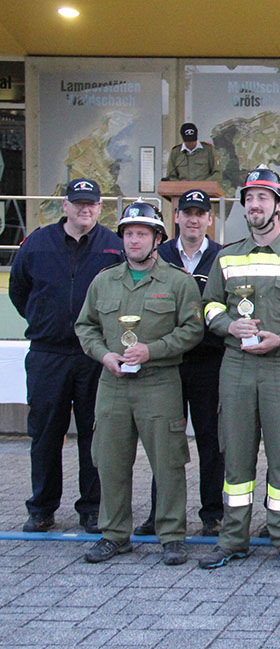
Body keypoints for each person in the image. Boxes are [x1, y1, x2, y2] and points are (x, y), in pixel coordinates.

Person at [198, 166, 280, 573]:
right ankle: (232, 538)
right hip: (236, 366)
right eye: (249, 198)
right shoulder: (226, 256)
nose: (254, 205)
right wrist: (228, 326)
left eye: (263, 198)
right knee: (235, 458)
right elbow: (209, 305)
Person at [75, 201, 203, 565]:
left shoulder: (178, 282)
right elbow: (85, 326)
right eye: (129, 233)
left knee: (168, 463)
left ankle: (172, 535)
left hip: (159, 383)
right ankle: (114, 534)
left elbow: (193, 330)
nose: (134, 240)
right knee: (110, 461)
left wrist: (152, 350)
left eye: (142, 234)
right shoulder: (103, 281)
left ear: (157, 238)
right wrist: (104, 355)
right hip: (113, 383)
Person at [10, 178, 122, 535]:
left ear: (100, 207)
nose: (85, 209)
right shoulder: (37, 244)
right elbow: (19, 292)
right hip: (49, 354)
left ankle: (92, 508)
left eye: (91, 204)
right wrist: (45, 320)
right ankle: (42, 508)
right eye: (78, 203)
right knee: (45, 433)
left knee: (95, 434)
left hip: (95, 355)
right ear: (65, 206)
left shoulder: (113, 246)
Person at [135, 189, 226, 538]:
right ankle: (161, 513)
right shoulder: (159, 255)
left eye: (200, 213)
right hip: (166, 362)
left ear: (209, 219)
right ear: (175, 217)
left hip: (209, 362)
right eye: (187, 212)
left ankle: (212, 514)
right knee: (166, 441)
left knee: (210, 441)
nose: (193, 219)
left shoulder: (221, 257)